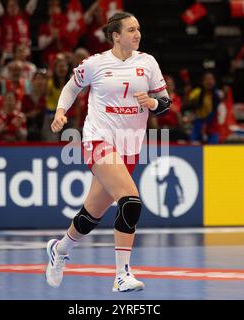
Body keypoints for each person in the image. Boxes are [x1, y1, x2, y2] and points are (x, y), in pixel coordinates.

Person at [45, 12, 170, 292]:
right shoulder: (96, 64)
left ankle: (60, 248)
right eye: (131, 30)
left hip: (130, 145)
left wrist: (151, 102)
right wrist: (60, 112)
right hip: (98, 139)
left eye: (138, 28)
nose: (137, 34)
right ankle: (121, 275)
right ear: (116, 36)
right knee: (131, 201)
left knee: (91, 214)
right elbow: (70, 87)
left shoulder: (147, 62)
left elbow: (165, 103)